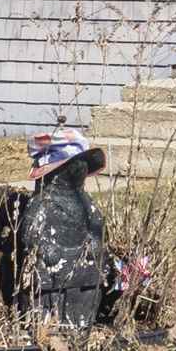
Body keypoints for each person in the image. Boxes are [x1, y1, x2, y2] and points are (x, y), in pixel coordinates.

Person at [20, 127, 109, 330]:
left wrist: (95, 244)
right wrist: (45, 248)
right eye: (74, 164)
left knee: (83, 305)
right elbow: (30, 232)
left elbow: (97, 224)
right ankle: (46, 333)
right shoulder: (44, 202)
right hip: (50, 276)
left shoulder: (85, 202)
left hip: (85, 271)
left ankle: (83, 327)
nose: (81, 169)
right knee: (49, 308)